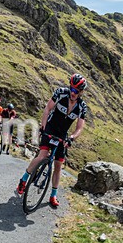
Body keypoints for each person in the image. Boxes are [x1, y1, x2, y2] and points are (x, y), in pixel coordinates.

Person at [16, 74, 89, 208]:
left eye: (76, 91)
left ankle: (53, 195)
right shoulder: (61, 93)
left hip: (63, 135)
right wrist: (43, 126)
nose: (73, 93)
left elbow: (79, 128)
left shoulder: (82, 107)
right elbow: (48, 108)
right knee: (42, 155)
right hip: (50, 128)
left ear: (81, 92)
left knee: (58, 166)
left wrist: (72, 138)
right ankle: (23, 180)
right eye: (71, 89)